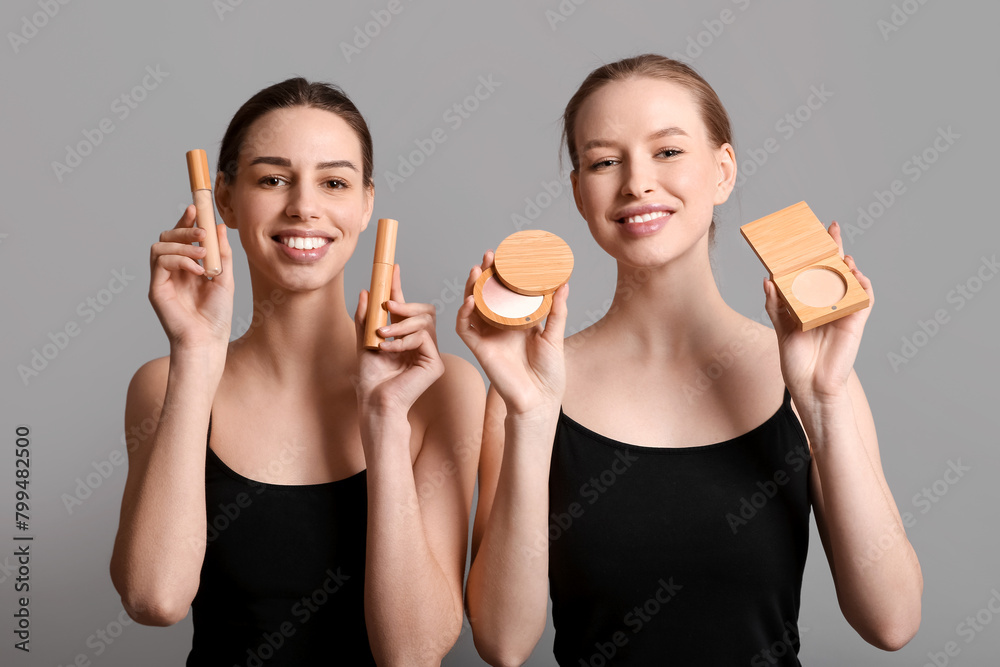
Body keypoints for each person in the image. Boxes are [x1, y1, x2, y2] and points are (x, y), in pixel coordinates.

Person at [457, 55, 922, 665]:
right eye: (604, 161)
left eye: (668, 152)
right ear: (579, 192)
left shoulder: (810, 379)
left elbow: (891, 621)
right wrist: (533, 415)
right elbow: (501, 642)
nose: (637, 183)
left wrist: (823, 400)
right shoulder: (528, 388)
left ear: (723, 170)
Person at [110, 78, 485, 666]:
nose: (304, 206)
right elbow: (153, 597)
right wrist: (197, 357)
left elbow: (412, 653)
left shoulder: (440, 390)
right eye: (272, 179)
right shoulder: (163, 382)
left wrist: (384, 417)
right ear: (225, 202)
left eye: (333, 182)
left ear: (365, 205)